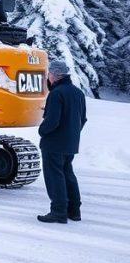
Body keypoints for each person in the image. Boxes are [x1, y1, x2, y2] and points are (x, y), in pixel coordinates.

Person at [37, 59, 86, 224]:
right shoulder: (78, 93)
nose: (48, 77)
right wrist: (72, 133)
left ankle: (58, 211)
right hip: (70, 142)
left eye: (49, 74)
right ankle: (74, 211)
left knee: (54, 176)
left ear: (54, 75)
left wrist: (42, 131)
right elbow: (83, 119)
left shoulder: (57, 93)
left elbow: (52, 121)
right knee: (68, 174)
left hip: (53, 143)